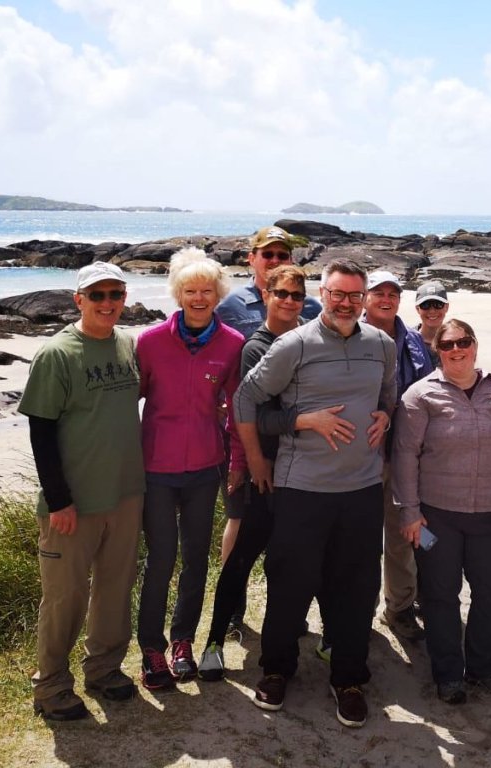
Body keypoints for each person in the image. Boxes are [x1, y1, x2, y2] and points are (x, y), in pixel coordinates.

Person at [232, 259, 394, 728]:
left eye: (355, 296)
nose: (346, 303)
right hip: (302, 489)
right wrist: (296, 425)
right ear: (322, 294)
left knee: (358, 589)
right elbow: (246, 401)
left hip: (362, 489)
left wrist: (385, 415)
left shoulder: (380, 344)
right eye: (338, 294)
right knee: (290, 585)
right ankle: (277, 670)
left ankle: (348, 678)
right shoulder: (294, 345)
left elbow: (389, 392)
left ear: (364, 299)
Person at [199, 264, 353, 679]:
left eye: (296, 296)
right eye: (280, 294)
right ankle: (214, 640)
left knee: (314, 561)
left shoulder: (312, 338)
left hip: (307, 472)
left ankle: (330, 637)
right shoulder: (256, 347)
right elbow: (253, 414)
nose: (288, 302)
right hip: (266, 472)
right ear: (264, 295)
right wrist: (256, 457)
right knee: (242, 559)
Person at [19, 261, 145, 721]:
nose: (108, 303)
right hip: (73, 502)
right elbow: (41, 431)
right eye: (97, 295)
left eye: (115, 294)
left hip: (126, 493)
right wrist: (59, 500)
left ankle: (105, 670)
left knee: (115, 588)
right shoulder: (57, 354)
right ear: (79, 301)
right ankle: (51, 688)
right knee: (64, 597)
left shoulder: (127, 346)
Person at [392, 318, 491, 705]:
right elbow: (405, 455)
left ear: (475, 345)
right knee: (440, 596)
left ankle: (484, 668)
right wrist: (409, 513)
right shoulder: (419, 396)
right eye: (448, 345)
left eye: (464, 342)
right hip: (435, 516)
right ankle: (448, 674)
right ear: (438, 351)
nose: (457, 350)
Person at [133, 248, 244, 690]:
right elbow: (127, 404)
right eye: (190, 291)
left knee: (196, 559)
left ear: (218, 294)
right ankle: (152, 648)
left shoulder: (233, 343)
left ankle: (183, 643)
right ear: (177, 294)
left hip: (205, 468)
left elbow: (236, 412)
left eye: (207, 291)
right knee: (161, 559)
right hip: (155, 470)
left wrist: (236, 461)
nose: (199, 298)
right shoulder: (150, 341)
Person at [214, 224, 324, 619]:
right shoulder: (228, 306)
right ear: (252, 259)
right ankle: (231, 613)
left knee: (288, 535)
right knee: (239, 521)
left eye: (282, 255)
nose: (275, 260)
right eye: (268, 254)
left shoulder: (309, 309)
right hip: (245, 436)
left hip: (296, 438)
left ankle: (286, 614)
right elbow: (221, 368)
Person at [364, 270, 435, 643]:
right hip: (358, 456)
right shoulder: (348, 334)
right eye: (379, 292)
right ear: (365, 297)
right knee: (358, 538)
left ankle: (400, 607)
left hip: (405, 455)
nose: (386, 298)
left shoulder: (414, 342)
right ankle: (358, 605)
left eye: (393, 292)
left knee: (403, 535)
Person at [412, 281, 449, 363]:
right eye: (425, 305)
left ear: (446, 307)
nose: (432, 311)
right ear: (418, 309)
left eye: (438, 304)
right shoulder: (406, 339)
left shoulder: (457, 341)